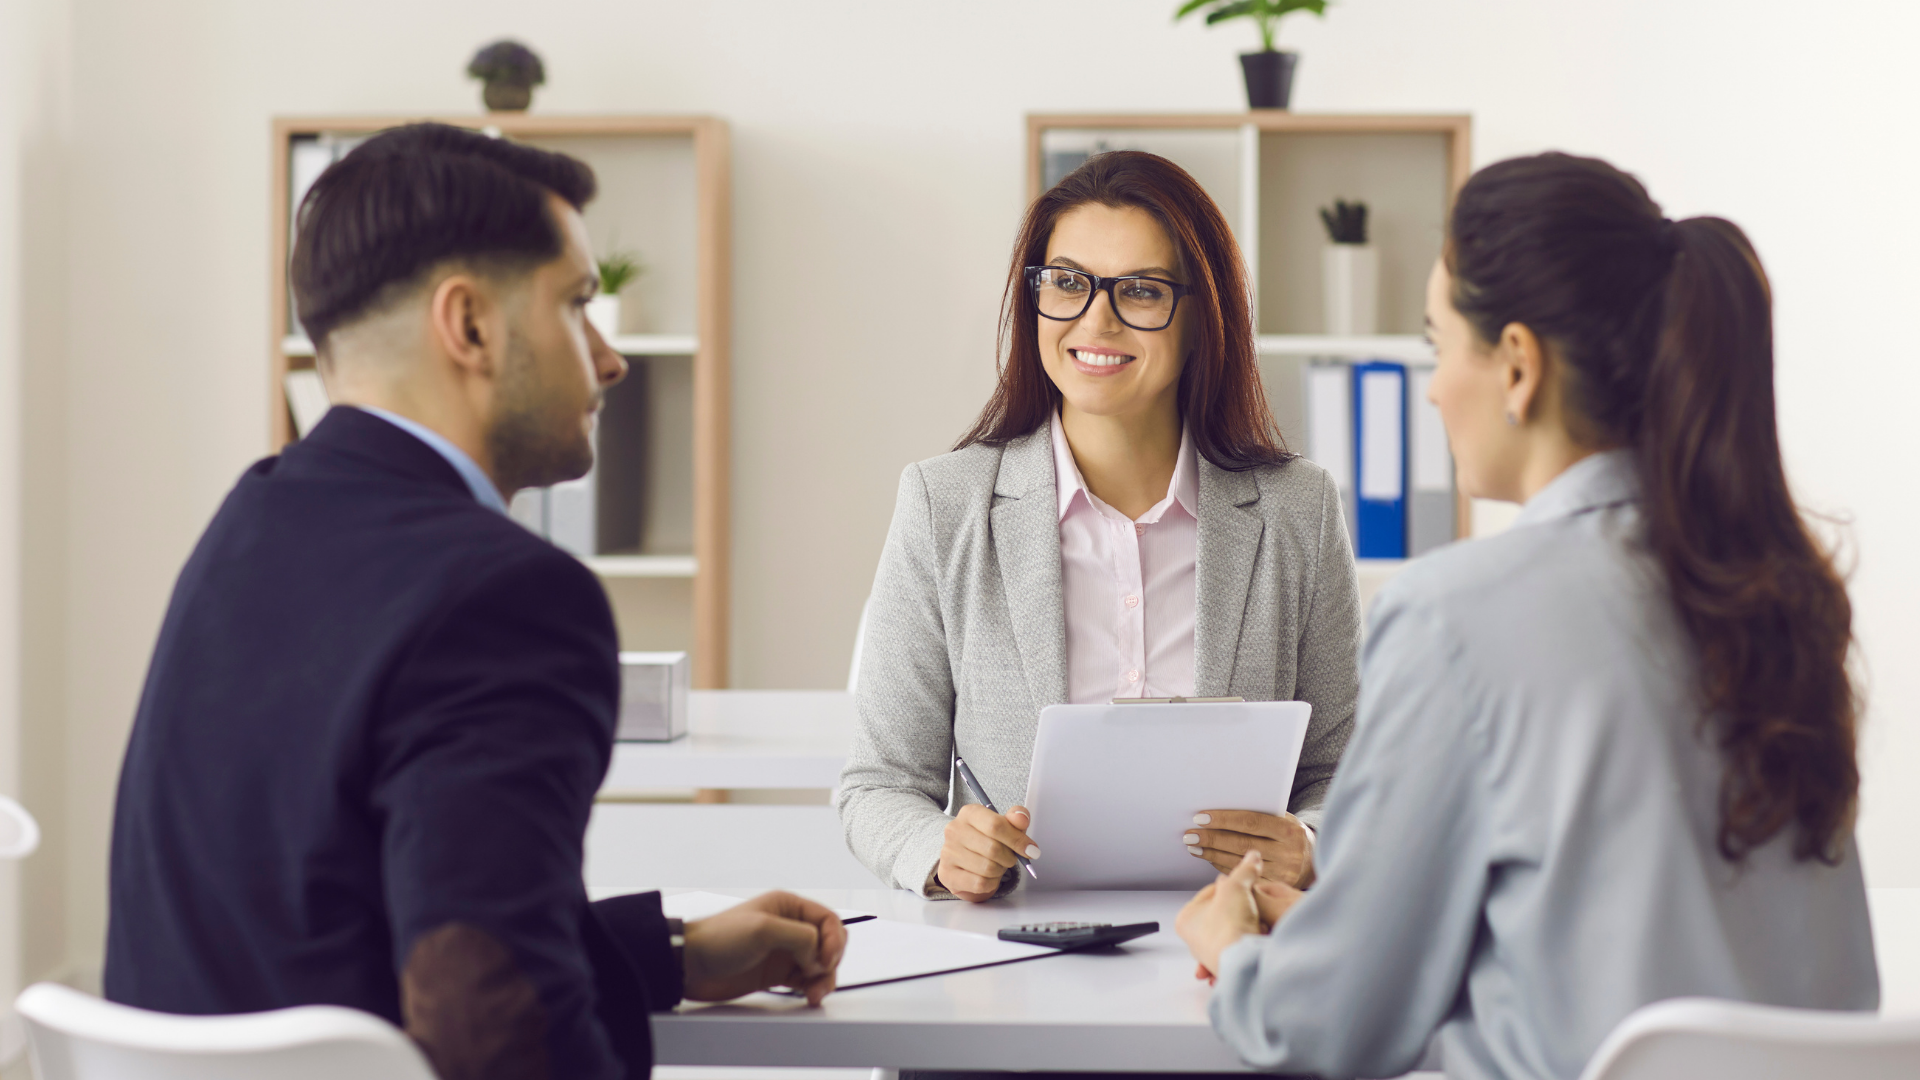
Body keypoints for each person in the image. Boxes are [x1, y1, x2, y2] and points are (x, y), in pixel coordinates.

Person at [104, 123, 845, 1080]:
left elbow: (327, 924)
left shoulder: (251, 523)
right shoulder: (508, 599)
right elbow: (496, 1039)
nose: (608, 358)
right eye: (578, 304)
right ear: (471, 326)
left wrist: (668, 952)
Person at [1175, 152, 1879, 1080]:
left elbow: (1325, 1032)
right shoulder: (1773, 591)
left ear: (1516, 366)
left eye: (1437, 348)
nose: (1429, 390)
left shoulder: (1451, 618)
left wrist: (1237, 950)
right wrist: (1340, 941)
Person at [837, 151, 1359, 902]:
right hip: (1015, 950)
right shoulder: (943, 504)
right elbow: (878, 786)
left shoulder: (1296, 510)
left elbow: (1345, 774)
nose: (1096, 320)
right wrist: (940, 852)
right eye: (1069, 283)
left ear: (1200, 316)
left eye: (1141, 291)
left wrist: (1309, 843)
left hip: (1236, 944)